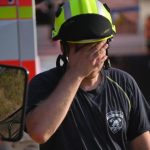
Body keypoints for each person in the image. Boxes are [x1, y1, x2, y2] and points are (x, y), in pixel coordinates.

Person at [25, 0, 150, 149]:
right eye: (82, 48)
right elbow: (39, 133)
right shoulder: (44, 84)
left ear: (107, 43)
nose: (91, 57)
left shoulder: (124, 83)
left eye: (97, 46)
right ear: (64, 47)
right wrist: (76, 74)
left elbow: (143, 144)